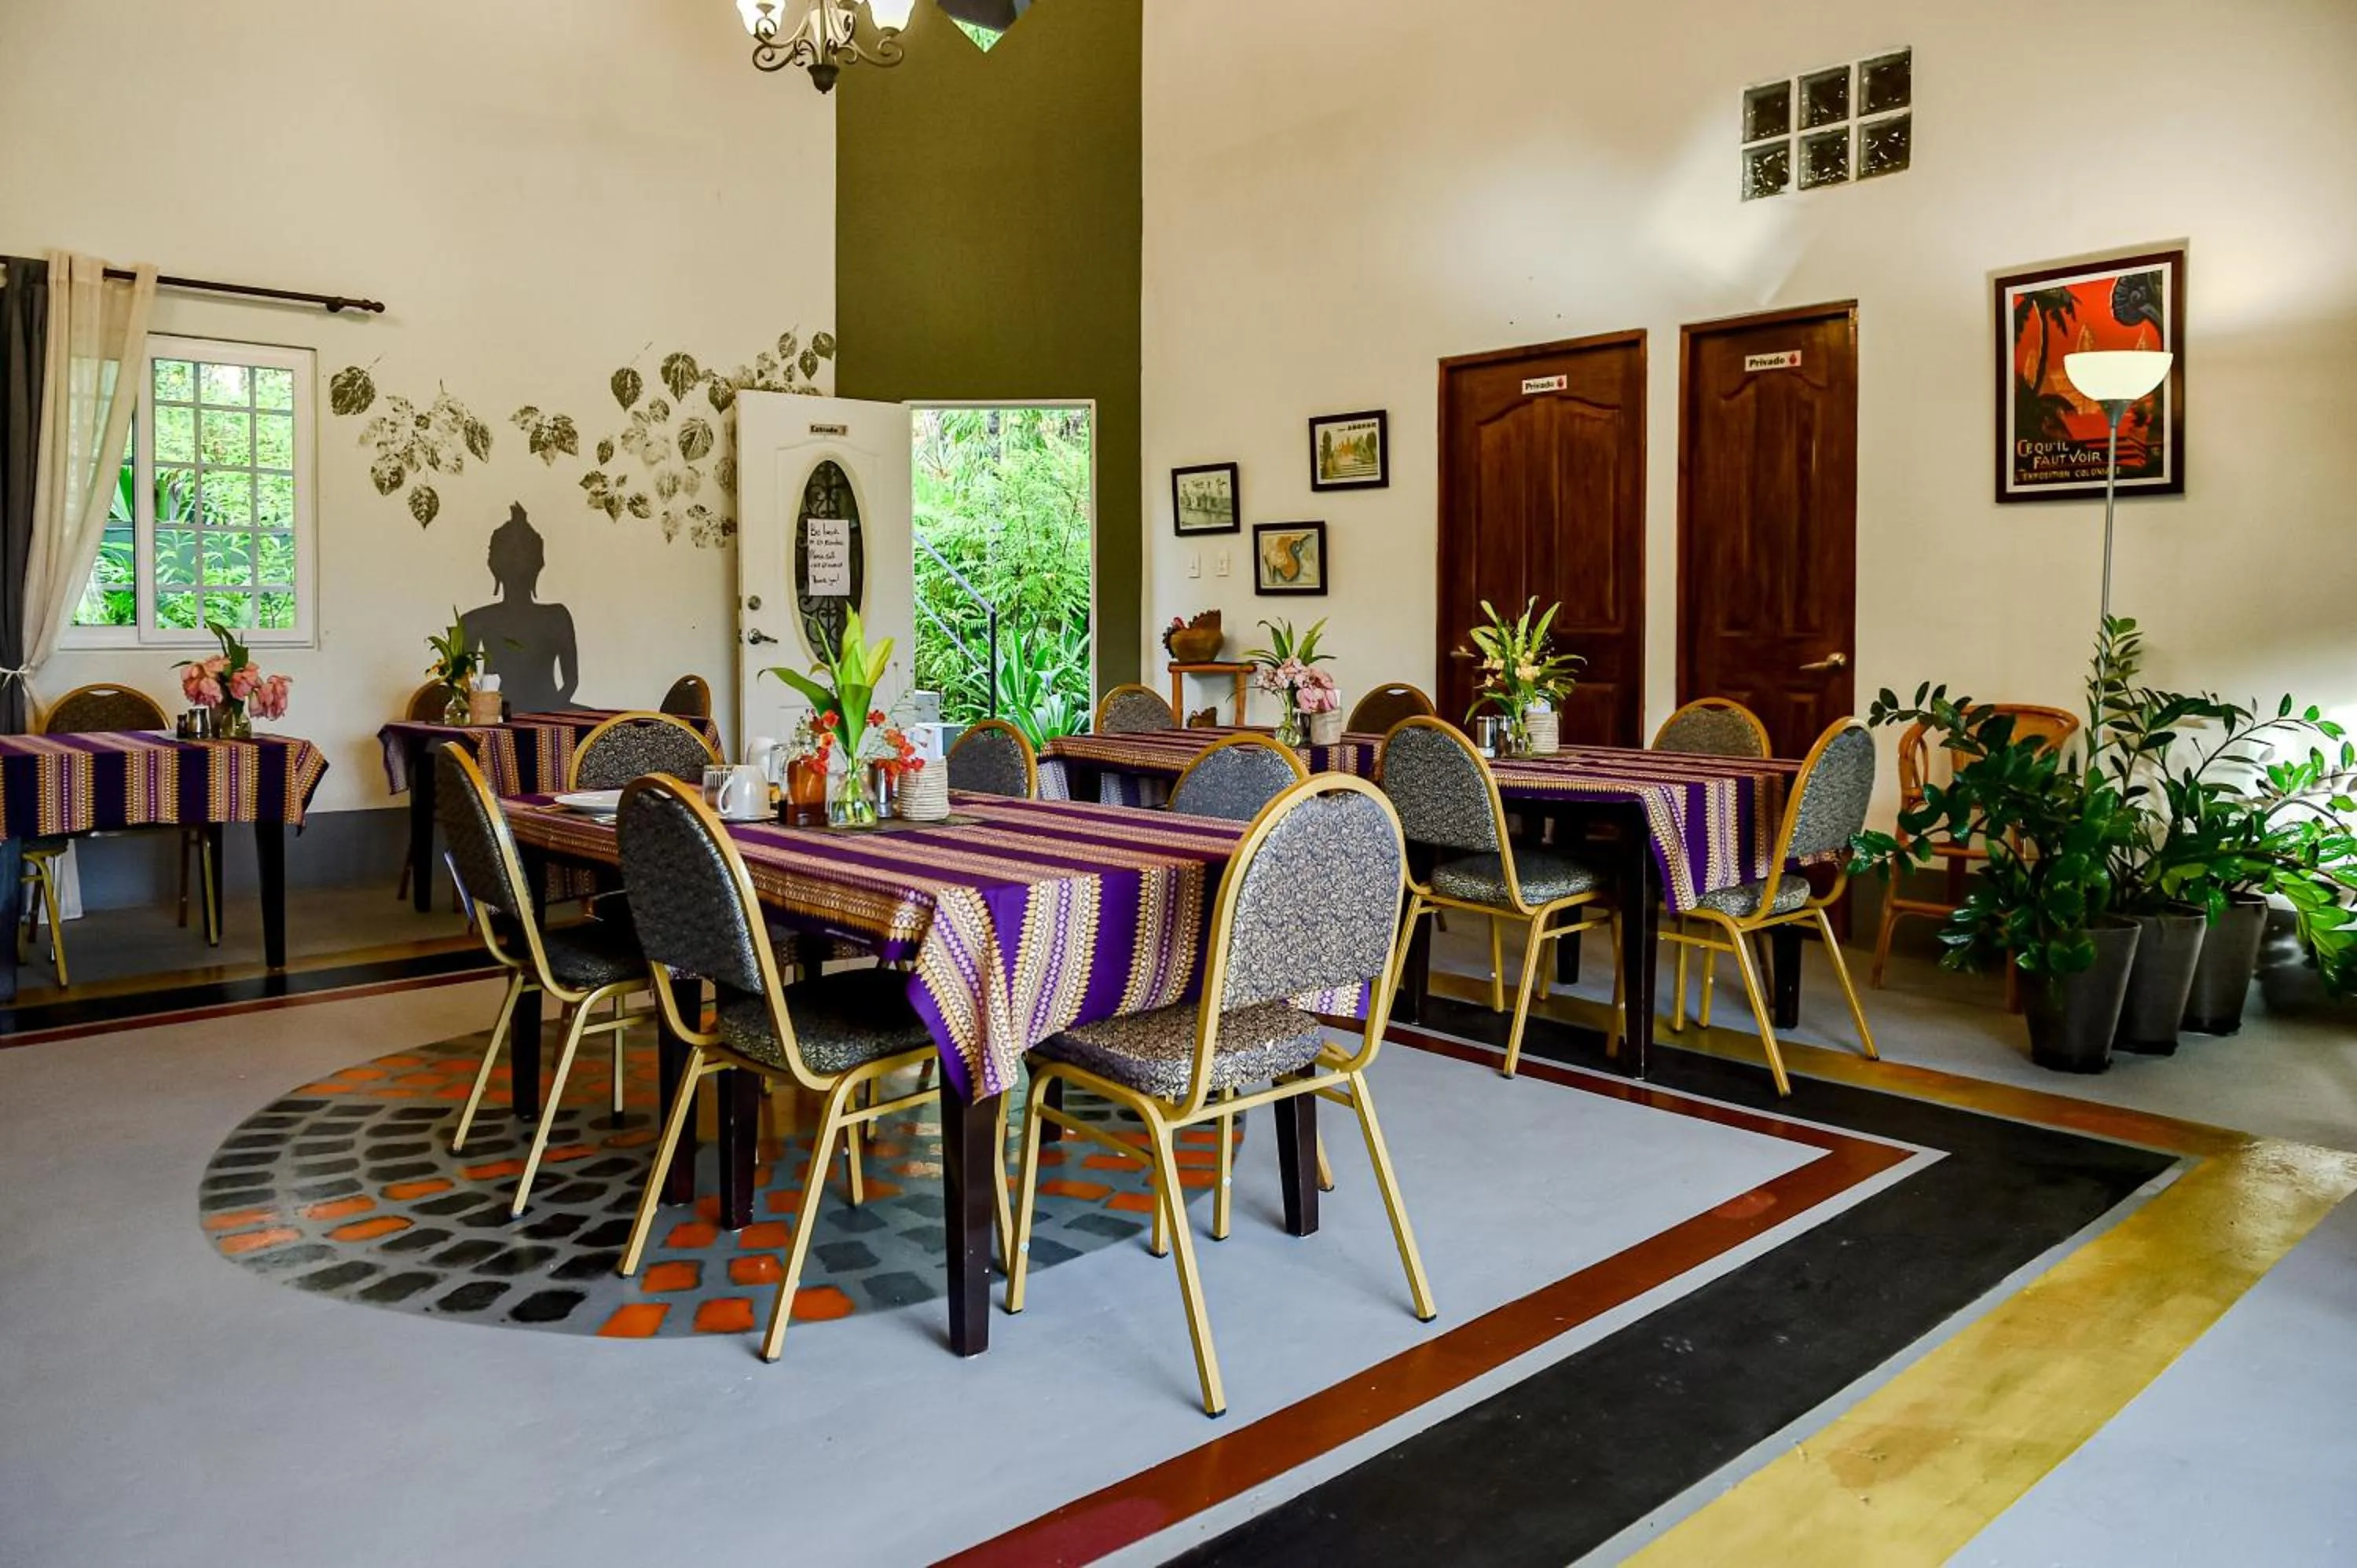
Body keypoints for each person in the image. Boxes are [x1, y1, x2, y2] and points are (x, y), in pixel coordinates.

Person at [460, 503, 577, 715]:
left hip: (549, 712)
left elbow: (570, 684)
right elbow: (463, 686)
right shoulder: (474, 621)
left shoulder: (556, 616)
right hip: (493, 714)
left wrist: (547, 714)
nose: (517, 566)